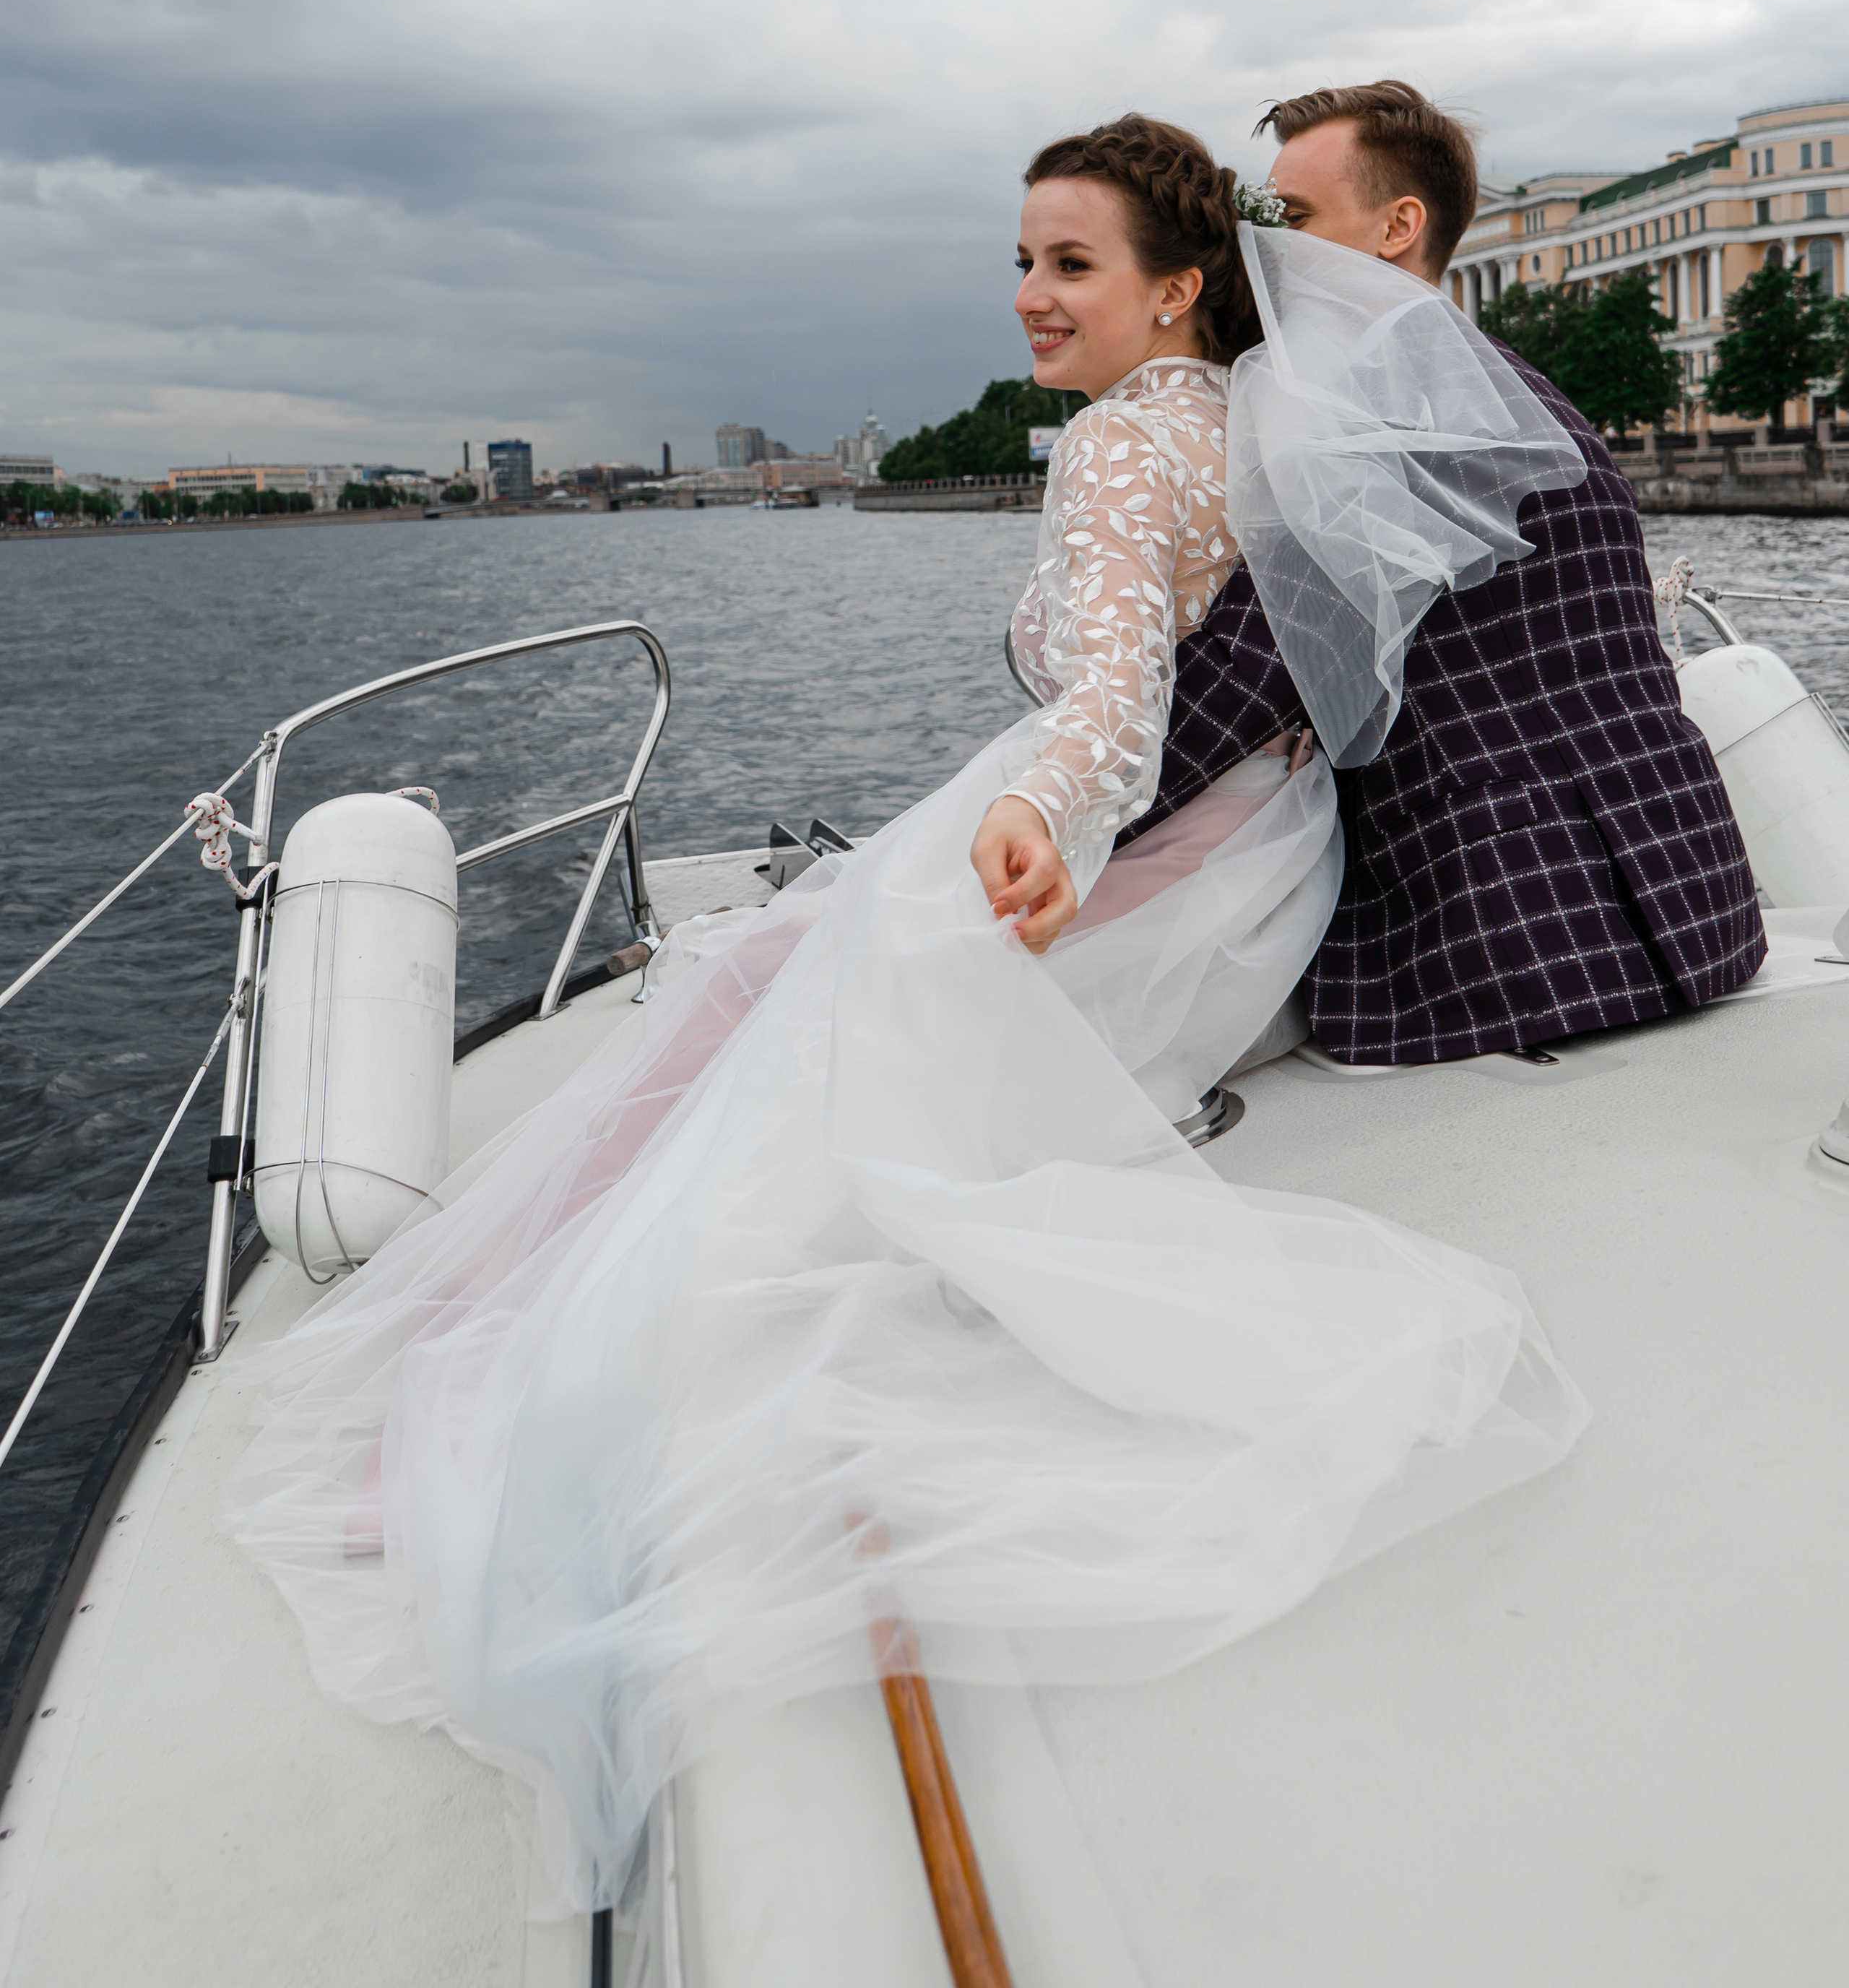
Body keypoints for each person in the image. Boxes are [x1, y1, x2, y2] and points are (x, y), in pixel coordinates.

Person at [224, 116, 1589, 1940]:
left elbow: (1107, 693)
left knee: (732, 1006)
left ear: (1178, 287)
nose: (1030, 297)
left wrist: (1047, 825)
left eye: (1071, 264)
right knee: (768, 987)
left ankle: (482, 1390)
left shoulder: (1117, 446)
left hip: (1132, 851)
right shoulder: (1267, 423)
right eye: (1020, 262)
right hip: (1267, 868)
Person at [1120, 82, 1764, 1068]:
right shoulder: (1522, 393)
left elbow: (1252, 669)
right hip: (1696, 898)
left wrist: (1060, 806)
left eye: (1291, 220)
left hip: (1514, 939)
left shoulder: (1363, 418)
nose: (1264, 249)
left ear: (1397, 228)